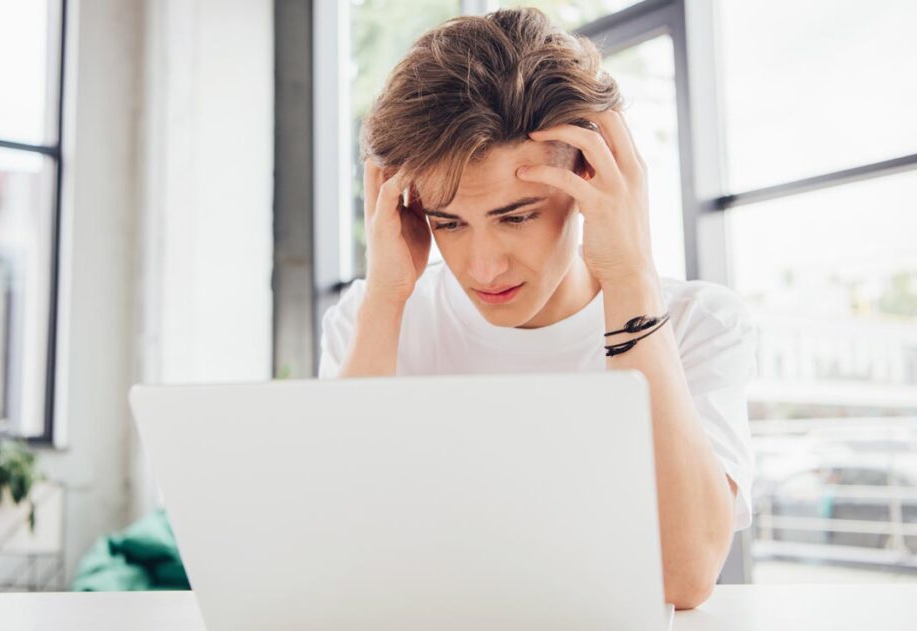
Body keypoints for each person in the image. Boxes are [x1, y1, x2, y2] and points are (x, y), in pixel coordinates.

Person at [318, 7, 756, 610]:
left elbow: (683, 577)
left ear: (592, 179)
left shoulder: (700, 324)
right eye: (449, 223)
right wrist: (386, 298)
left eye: (517, 216)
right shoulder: (374, 319)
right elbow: (328, 550)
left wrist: (630, 278)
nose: (483, 267)